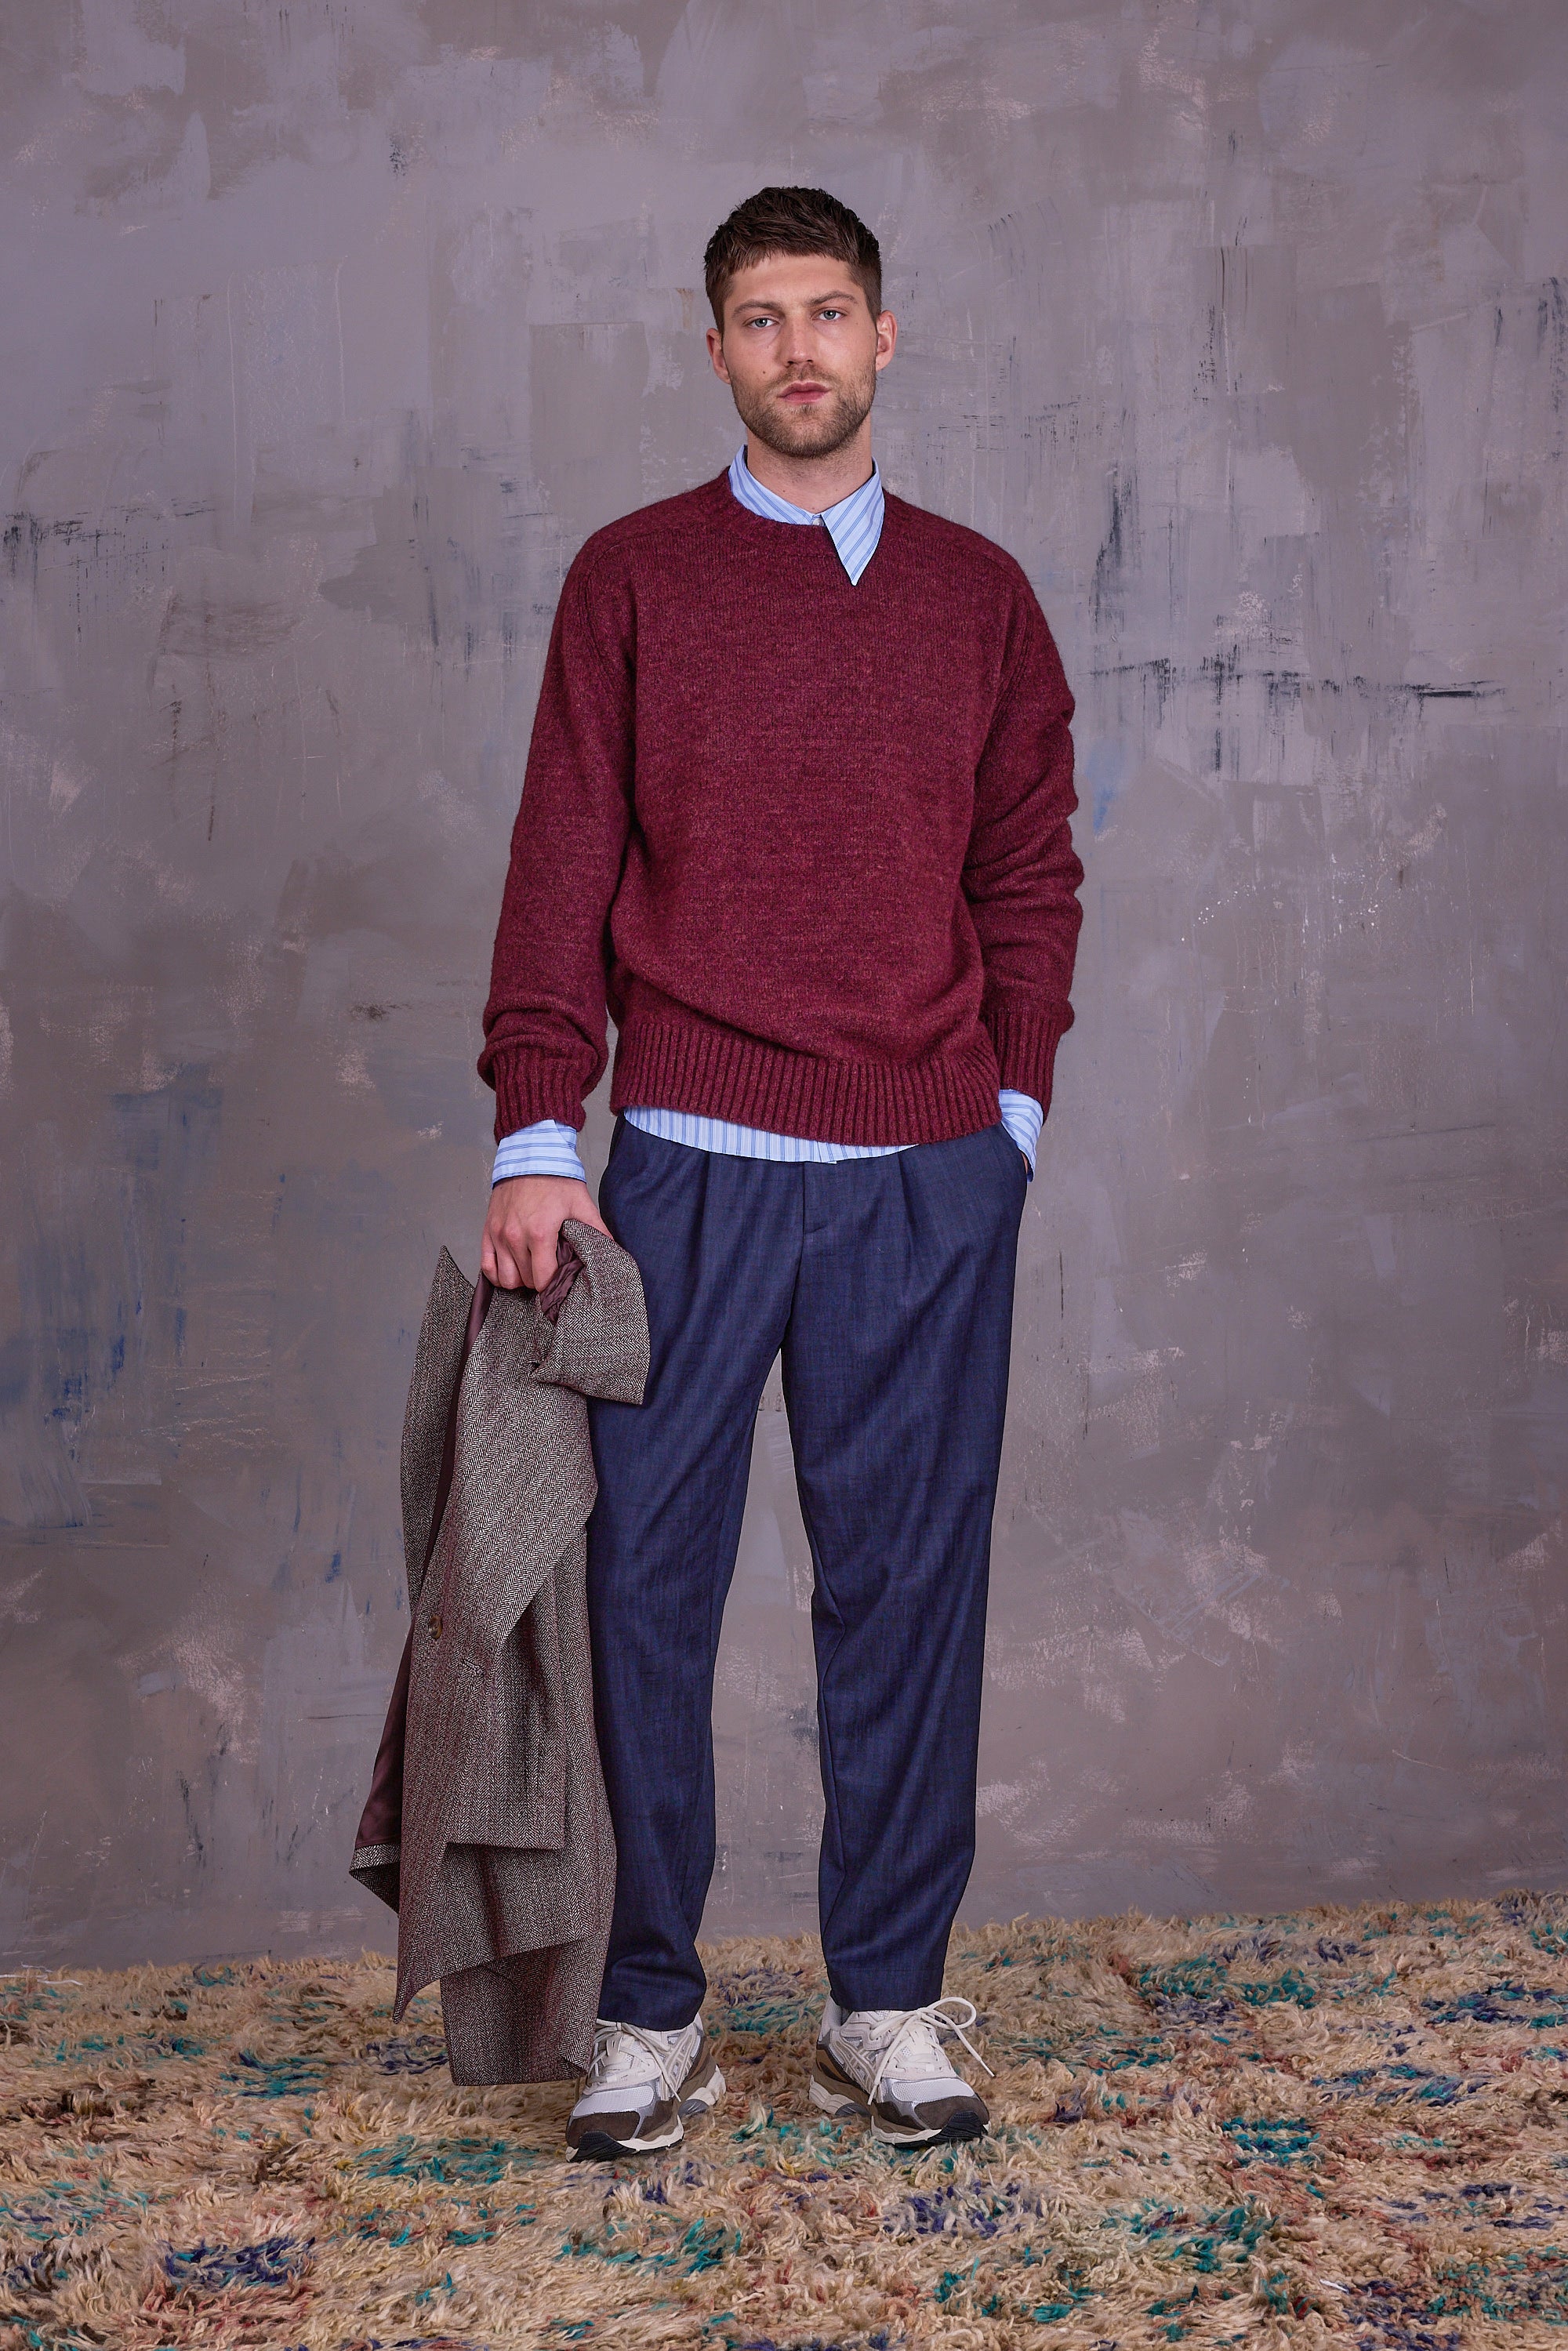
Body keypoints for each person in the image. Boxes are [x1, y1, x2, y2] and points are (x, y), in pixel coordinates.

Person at [477, 185, 1082, 2157]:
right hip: (684, 1169)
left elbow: (1028, 876)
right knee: (638, 1595)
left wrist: (1007, 1120)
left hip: (922, 1174)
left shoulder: (979, 596)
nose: (798, 348)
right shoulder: (634, 579)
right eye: (761, 318)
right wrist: (539, 1128)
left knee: (905, 1590)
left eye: (829, 313)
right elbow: (562, 858)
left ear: (883, 337)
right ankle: (644, 2009)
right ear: (715, 344)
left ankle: (885, 1998)